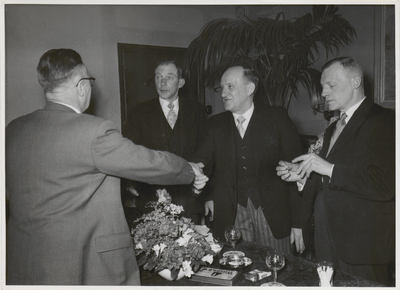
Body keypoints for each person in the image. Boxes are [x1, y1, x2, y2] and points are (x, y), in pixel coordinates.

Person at [5, 48, 208, 285]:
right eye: (90, 81)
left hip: (20, 261)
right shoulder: (93, 131)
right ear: (81, 86)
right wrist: (189, 170)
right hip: (76, 262)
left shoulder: (13, 129)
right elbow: (146, 163)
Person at [276, 57, 395, 285]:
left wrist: (328, 168)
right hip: (326, 239)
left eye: (330, 85)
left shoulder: (386, 121)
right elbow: (328, 176)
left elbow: (386, 184)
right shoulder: (334, 125)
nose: (323, 92)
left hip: (362, 246)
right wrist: (302, 174)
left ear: (355, 82)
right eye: (322, 86)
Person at [192, 65, 305, 254]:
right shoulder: (214, 125)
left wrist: (298, 223)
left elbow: (297, 170)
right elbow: (201, 162)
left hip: (274, 216)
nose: (223, 93)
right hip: (232, 215)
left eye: (230, 86)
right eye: (222, 88)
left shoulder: (277, 118)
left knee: (276, 271)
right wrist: (195, 178)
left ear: (250, 89)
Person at [123, 60, 207, 224]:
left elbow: (206, 150)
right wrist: (130, 184)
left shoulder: (197, 111)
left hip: (189, 200)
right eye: (158, 77)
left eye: (169, 77)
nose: (162, 82)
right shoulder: (139, 113)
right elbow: (128, 151)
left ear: (180, 82)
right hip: (151, 201)